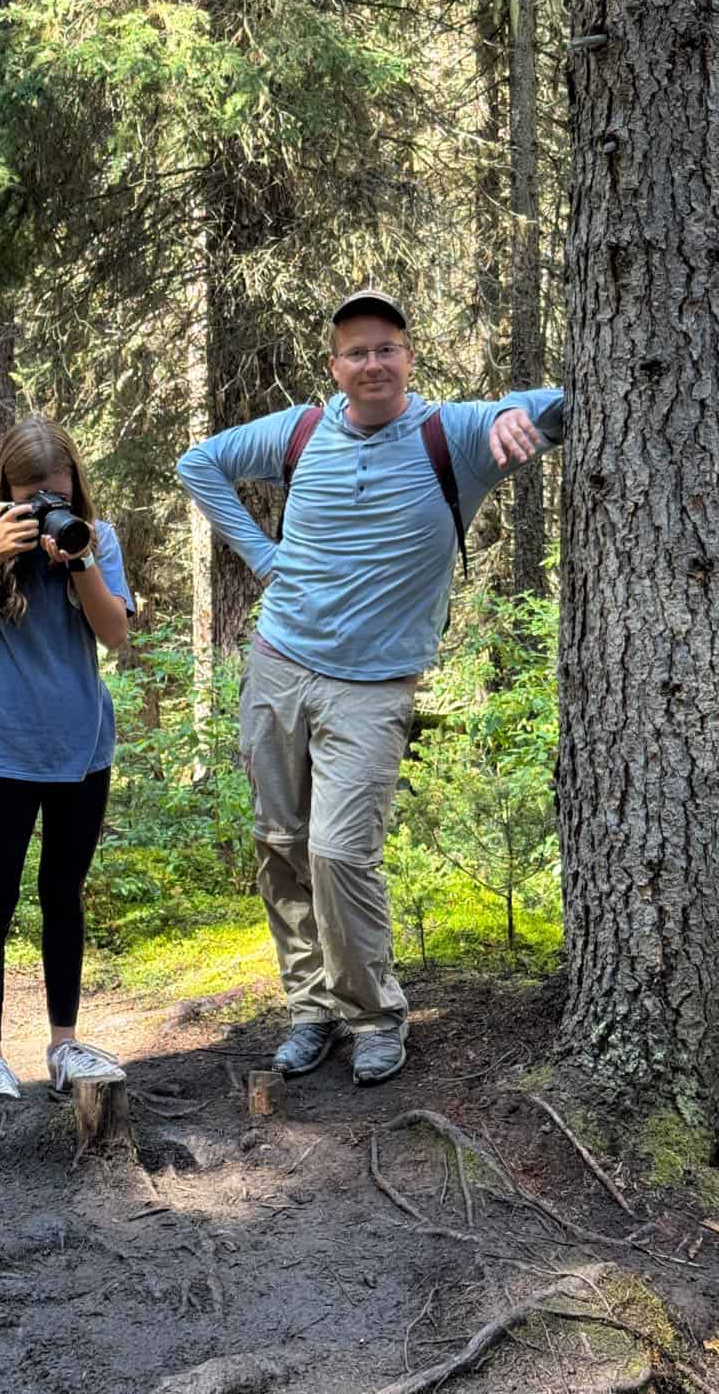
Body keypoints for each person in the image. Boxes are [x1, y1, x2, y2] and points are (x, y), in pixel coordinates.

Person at [176, 290, 564, 1088]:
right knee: (281, 844)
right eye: (356, 352)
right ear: (335, 366)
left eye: (386, 348)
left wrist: (512, 409)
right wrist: (262, 557)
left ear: (409, 358)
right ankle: (310, 1010)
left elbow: (563, 406)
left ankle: (375, 1015)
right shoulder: (301, 431)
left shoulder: (453, 434)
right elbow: (199, 464)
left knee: (339, 851)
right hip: (280, 665)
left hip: (374, 686)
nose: (373, 363)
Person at [0, 414, 134, 1101]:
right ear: (5, 491)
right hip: (1, 752)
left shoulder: (94, 537)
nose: (46, 507)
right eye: (32, 496)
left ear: (75, 487)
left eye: (57, 495)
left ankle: (64, 1045)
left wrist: (80, 560)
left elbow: (115, 636)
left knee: (62, 896)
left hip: (82, 750)